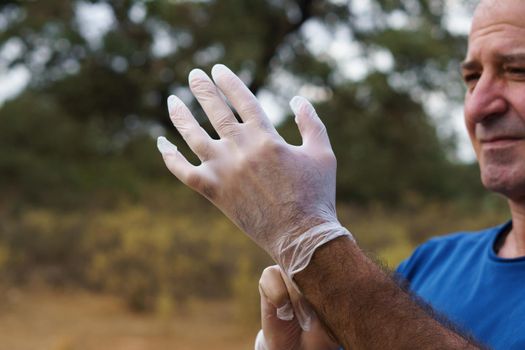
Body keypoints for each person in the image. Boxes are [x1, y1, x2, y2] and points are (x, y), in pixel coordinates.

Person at [156, 0, 525, 348]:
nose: (478, 104)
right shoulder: (433, 263)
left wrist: (307, 236)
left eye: (518, 70)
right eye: (471, 77)